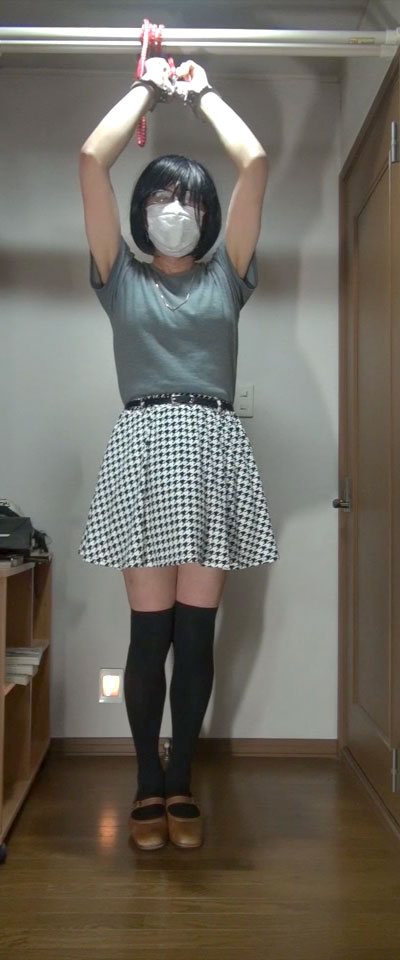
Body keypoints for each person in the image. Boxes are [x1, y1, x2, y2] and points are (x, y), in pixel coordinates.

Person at [78, 57, 280, 850]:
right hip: (143, 450)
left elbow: (255, 162)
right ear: (140, 209)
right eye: (163, 197)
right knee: (148, 637)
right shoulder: (118, 278)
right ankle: (145, 782)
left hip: (213, 451)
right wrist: (147, 89)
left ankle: (183, 779)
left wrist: (200, 93)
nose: (176, 211)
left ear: (209, 214)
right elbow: (90, 160)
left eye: (191, 200)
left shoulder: (228, 275)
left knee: (196, 638)